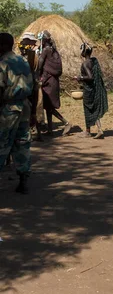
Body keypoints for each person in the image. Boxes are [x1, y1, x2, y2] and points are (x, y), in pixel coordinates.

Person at [0, 33, 33, 194]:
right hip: (25, 106)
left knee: (3, 142)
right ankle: (23, 179)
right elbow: (33, 84)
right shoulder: (23, 60)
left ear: (4, 46)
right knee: (22, 142)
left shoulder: (2, 63)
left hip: (8, 108)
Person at [37, 30, 71, 136]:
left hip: (48, 82)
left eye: (41, 40)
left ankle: (66, 122)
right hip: (53, 81)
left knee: (49, 106)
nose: (40, 42)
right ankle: (50, 130)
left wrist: (37, 76)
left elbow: (40, 64)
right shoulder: (53, 50)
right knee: (48, 105)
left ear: (44, 39)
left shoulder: (46, 50)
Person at [75, 43, 108, 139]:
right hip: (94, 88)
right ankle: (99, 129)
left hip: (88, 89)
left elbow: (90, 77)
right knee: (93, 109)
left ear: (84, 52)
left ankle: (88, 132)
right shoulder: (93, 61)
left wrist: (79, 78)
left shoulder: (85, 63)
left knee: (88, 109)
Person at [18, 32, 43, 141]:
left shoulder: (32, 56)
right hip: (29, 84)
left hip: (30, 85)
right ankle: (36, 132)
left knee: (32, 109)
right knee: (32, 109)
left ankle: (32, 132)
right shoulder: (26, 55)